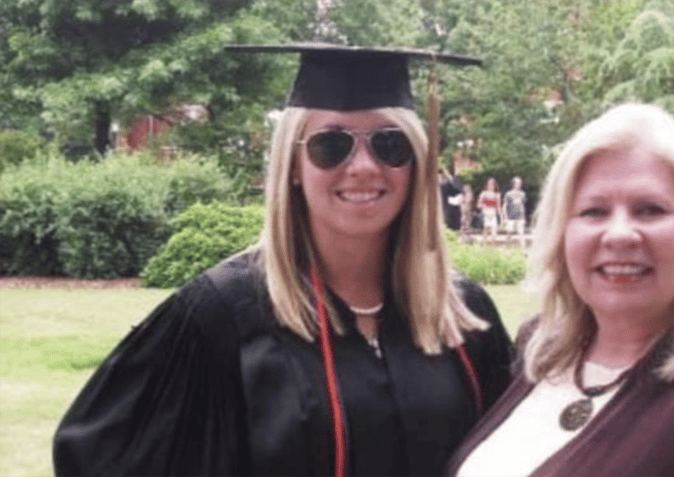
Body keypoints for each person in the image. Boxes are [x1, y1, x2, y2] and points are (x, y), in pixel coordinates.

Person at [53, 43, 513, 477]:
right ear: (292, 165)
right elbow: (100, 456)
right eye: (331, 145)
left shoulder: (464, 317)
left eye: (390, 145)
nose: (363, 166)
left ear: (416, 163)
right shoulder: (223, 313)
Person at [448, 103, 674, 477]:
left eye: (650, 209)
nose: (620, 234)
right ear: (561, 233)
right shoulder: (541, 350)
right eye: (594, 211)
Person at [502, 176, 528, 248]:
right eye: (517, 183)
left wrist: (523, 217)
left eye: (520, 183)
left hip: (520, 217)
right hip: (510, 217)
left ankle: (523, 249)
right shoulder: (508, 194)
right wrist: (505, 217)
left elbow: (522, 206)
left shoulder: (522, 194)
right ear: (513, 184)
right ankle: (506, 247)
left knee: (521, 233)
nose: (519, 184)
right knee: (509, 234)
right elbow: (505, 206)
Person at [477, 177, 502, 245]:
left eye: (492, 184)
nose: (490, 186)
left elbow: (498, 207)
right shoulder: (483, 194)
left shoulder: (497, 195)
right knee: (486, 230)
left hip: (493, 214)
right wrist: (484, 206)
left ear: (494, 185)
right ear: (487, 185)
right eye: (489, 184)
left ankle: (491, 246)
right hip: (486, 213)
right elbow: (478, 205)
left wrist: (501, 217)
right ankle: (484, 245)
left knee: (494, 233)